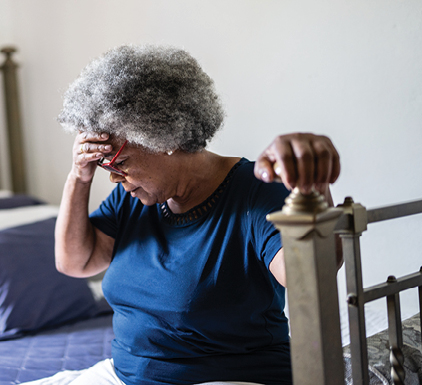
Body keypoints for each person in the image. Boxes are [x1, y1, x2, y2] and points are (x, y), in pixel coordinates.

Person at [46, 45, 341, 385]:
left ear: (164, 137)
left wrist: (311, 187)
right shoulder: (133, 198)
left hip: (223, 378)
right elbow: (75, 263)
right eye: (103, 166)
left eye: (118, 163)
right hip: (122, 375)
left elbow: (311, 278)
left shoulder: (255, 192)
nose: (113, 177)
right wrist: (79, 176)